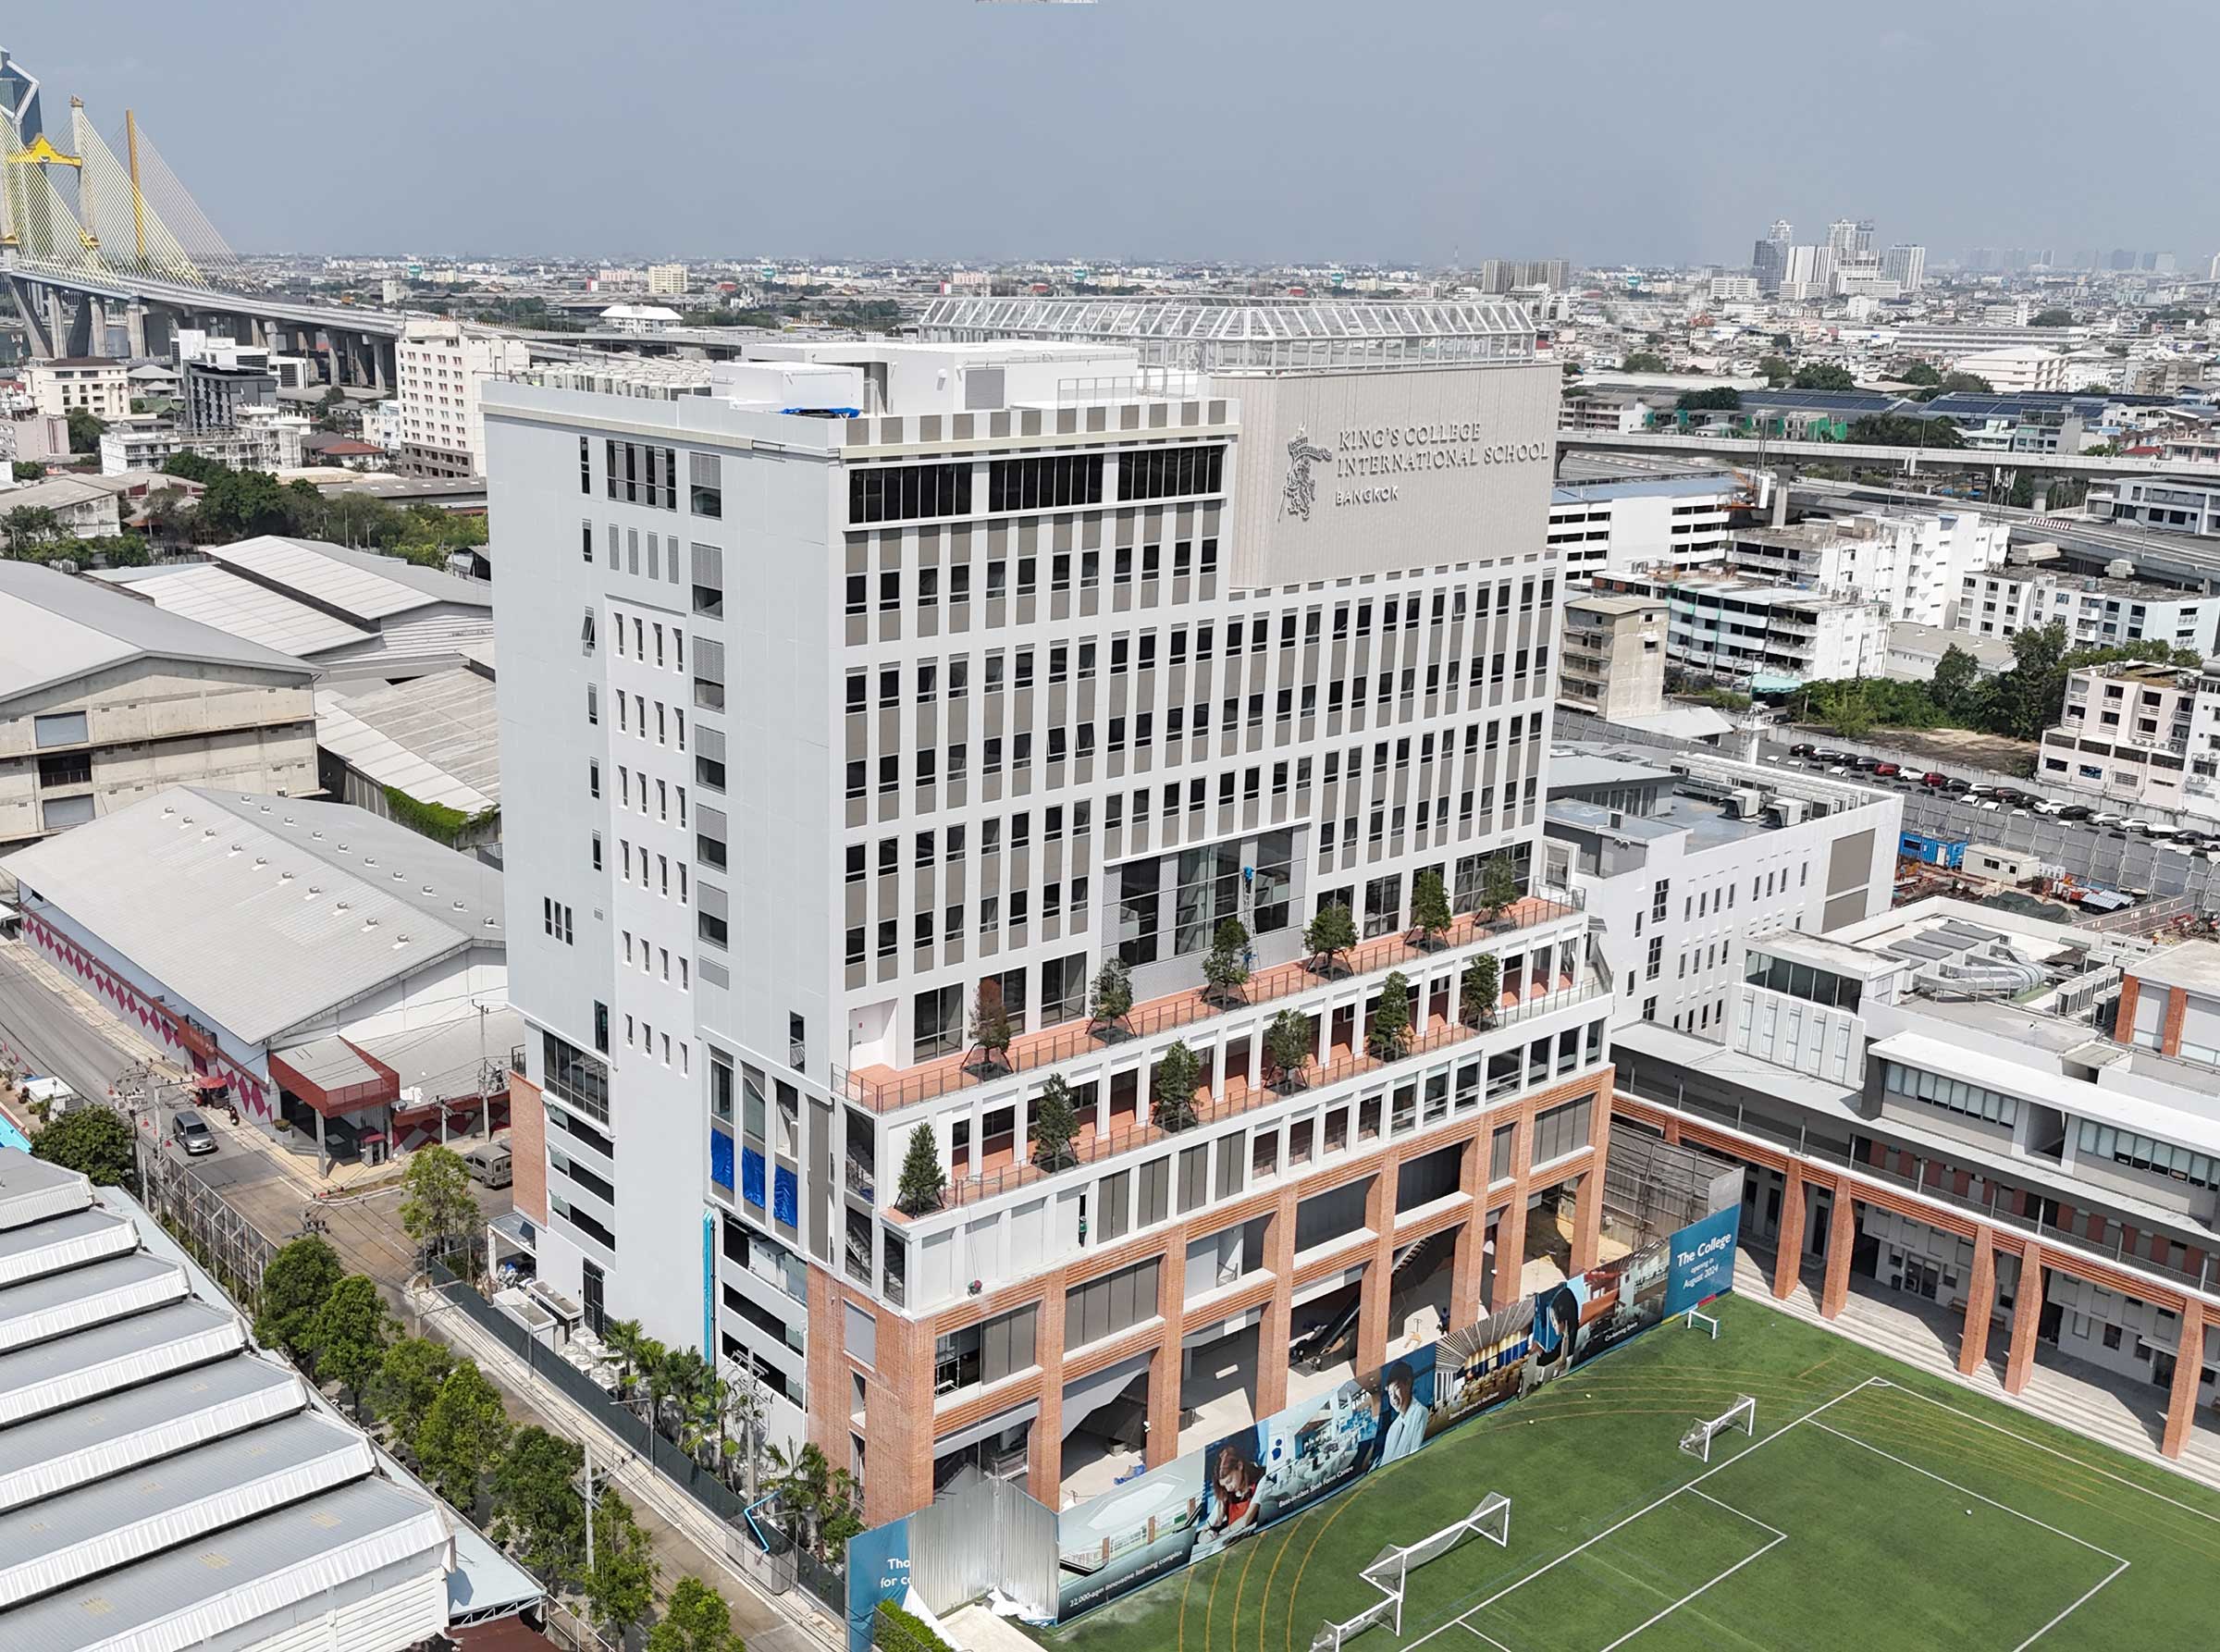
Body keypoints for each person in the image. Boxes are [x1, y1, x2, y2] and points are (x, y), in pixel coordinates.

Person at [1205, 1441, 1264, 1544]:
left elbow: (1245, 1521)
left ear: (1240, 1466)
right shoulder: (1225, 1495)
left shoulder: (1261, 1481)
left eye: (1229, 1481)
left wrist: (1224, 1531)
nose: (1228, 1489)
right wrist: (1206, 1536)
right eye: (1224, 1486)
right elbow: (1203, 1532)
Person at [1374, 1362, 1428, 1465]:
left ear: (1408, 1383)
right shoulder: (1393, 1428)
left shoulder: (1420, 1413)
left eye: (1396, 1389)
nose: (1393, 1397)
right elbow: (1385, 1462)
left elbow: (1415, 1455)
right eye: (1390, 1393)